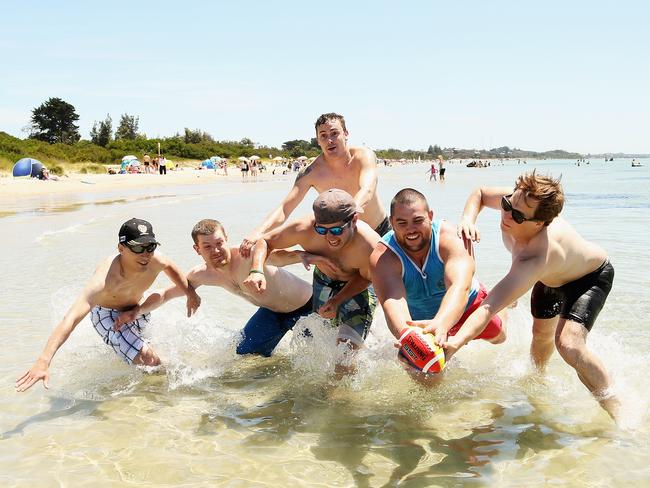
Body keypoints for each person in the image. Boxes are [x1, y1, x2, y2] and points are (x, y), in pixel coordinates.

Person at [450, 171, 620, 420]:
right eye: (508, 205)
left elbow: (489, 307)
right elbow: (480, 193)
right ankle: (537, 385)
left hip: (589, 277)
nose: (507, 214)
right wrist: (468, 219)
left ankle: (617, 410)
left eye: (517, 216)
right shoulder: (519, 201)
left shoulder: (535, 257)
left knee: (568, 345)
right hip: (549, 278)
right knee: (540, 336)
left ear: (540, 223)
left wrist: (455, 343)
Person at [15, 218, 201, 392]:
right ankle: (154, 398)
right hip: (108, 315)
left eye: (150, 246)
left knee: (151, 351)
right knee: (151, 361)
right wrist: (43, 361)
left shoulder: (156, 259)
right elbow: (69, 319)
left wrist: (189, 293)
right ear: (121, 248)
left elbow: (171, 268)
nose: (145, 254)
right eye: (138, 248)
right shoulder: (104, 281)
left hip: (137, 307)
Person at [135, 219, 332, 357]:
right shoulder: (201, 274)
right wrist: (135, 311)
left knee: (320, 360)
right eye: (207, 246)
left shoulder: (247, 254)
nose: (216, 250)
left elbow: (279, 256)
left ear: (226, 239)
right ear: (197, 249)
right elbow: (165, 294)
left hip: (309, 307)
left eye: (219, 243)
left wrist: (302, 255)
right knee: (244, 354)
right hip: (272, 313)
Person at [370, 189, 506, 374]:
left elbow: (459, 287)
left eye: (418, 220)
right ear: (392, 223)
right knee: (425, 372)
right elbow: (392, 302)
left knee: (500, 337)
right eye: (402, 223)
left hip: (466, 304)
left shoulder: (449, 237)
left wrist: (441, 323)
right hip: (419, 319)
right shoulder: (383, 257)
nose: (411, 229)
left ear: (430, 216)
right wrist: (406, 335)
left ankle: (502, 304)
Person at [245, 189, 381, 374]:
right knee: (322, 339)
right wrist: (256, 270)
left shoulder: (370, 245)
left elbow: (366, 278)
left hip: (358, 285)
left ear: (354, 220)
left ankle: (336, 395)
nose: (329, 238)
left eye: (336, 230)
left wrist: (337, 300)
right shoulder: (303, 228)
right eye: (321, 230)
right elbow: (264, 242)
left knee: (345, 355)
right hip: (324, 280)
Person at [240, 113, 390, 258]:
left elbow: (368, 189)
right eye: (323, 135)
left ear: (345, 133)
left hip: (379, 229)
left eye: (334, 133)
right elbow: (285, 208)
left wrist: (349, 213)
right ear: (318, 140)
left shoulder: (363, 156)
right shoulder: (311, 172)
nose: (329, 140)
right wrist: (258, 232)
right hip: (340, 237)